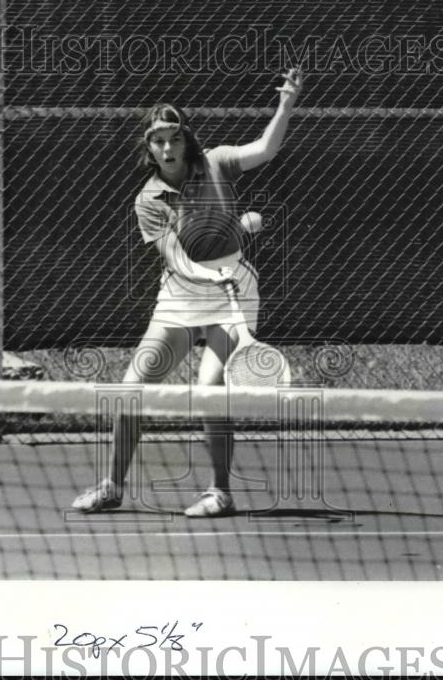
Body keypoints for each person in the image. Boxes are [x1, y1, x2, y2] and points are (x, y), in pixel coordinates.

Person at [72, 68, 305, 517]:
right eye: (158, 140)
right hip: (180, 297)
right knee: (130, 388)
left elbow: (265, 149)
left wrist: (286, 105)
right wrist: (213, 257)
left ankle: (220, 493)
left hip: (232, 293)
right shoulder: (149, 199)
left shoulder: (216, 161)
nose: (166, 147)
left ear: (186, 141)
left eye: (174, 138)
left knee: (209, 388)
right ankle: (111, 487)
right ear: (149, 149)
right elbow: (174, 257)